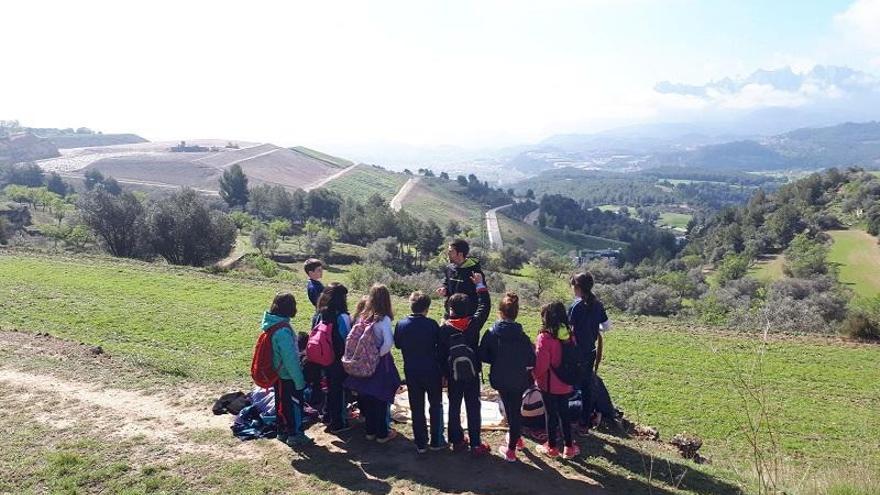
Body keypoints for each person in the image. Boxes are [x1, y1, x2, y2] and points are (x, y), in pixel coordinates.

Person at [438, 272, 492, 457]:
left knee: (454, 405)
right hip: (472, 372)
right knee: (473, 406)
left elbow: (440, 354)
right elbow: (485, 305)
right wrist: (480, 285)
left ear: (451, 309)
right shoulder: (473, 323)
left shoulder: (444, 328)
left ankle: (457, 440)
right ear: (469, 309)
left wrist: (443, 374)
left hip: (452, 374)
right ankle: (476, 443)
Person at [478, 292, 535, 462]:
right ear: (516, 313)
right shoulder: (523, 336)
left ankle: (511, 450)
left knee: (509, 410)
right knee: (514, 409)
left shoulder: (491, 333)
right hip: (519, 379)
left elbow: (483, 355)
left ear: (500, 312)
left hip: (500, 378)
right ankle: (516, 439)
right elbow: (531, 359)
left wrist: (496, 359)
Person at [345, 284, 400, 444]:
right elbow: (388, 342)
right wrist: (378, 355)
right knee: (381, 397)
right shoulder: (384, 319)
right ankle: (382, 434)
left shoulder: (364, 316)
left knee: (367, 395)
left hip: (362, 360)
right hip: (380, 362)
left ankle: (370, 431)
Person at [394, 291, 446, 454]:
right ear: (427, 308)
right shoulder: (431, 324)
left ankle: (420, 442)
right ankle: (437, 440)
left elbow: (398, 345)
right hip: (431, 370)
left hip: (412, 370)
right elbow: (439, 344)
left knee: (417, 407)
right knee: (435, 404)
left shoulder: (401, 324)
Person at [261, 292, 313, 447]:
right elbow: (290, 359)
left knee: (281, 404)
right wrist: (299, 380)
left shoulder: (271, 324)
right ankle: (295, 434)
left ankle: (282, 431)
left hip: (277, 374)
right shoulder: (283, 330)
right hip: (288, 376)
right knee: (294, 406)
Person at [533, 302, 579, 459]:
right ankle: (569, 447)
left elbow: (541, 365)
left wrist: (534, 377)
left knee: (551, 415)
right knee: (564, 414)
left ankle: (552, 447)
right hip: (566, 383)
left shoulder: (544, 338)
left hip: (549, 385)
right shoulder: (570, 335)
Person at [568, 272, 611, 435]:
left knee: (569, 384)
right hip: (590, 353)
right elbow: (607, 326)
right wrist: (594, 328)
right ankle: (584, 423)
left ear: (578, 287)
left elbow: (567, 330)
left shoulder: (575, 307)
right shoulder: (598, 305)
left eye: (573, 286)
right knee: (586, 387)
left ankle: (567, 419)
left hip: (574, 353)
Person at [310, 282, 352, 433]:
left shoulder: (318, 315)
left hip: (321, 358)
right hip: (338, 360)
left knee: (327, 386)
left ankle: (327, 415)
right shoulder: (342, 317)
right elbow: (348, 338)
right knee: (338, 390)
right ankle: (338, 422)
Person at [436, 239, 486, 311]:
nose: (448, 253)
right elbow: (447, 283)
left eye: (451, 251)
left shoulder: (474, 272)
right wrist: (444, 289)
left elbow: (482, 293)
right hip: (450, 314)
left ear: (460, 254)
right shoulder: (449, 268)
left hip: (468, 315)